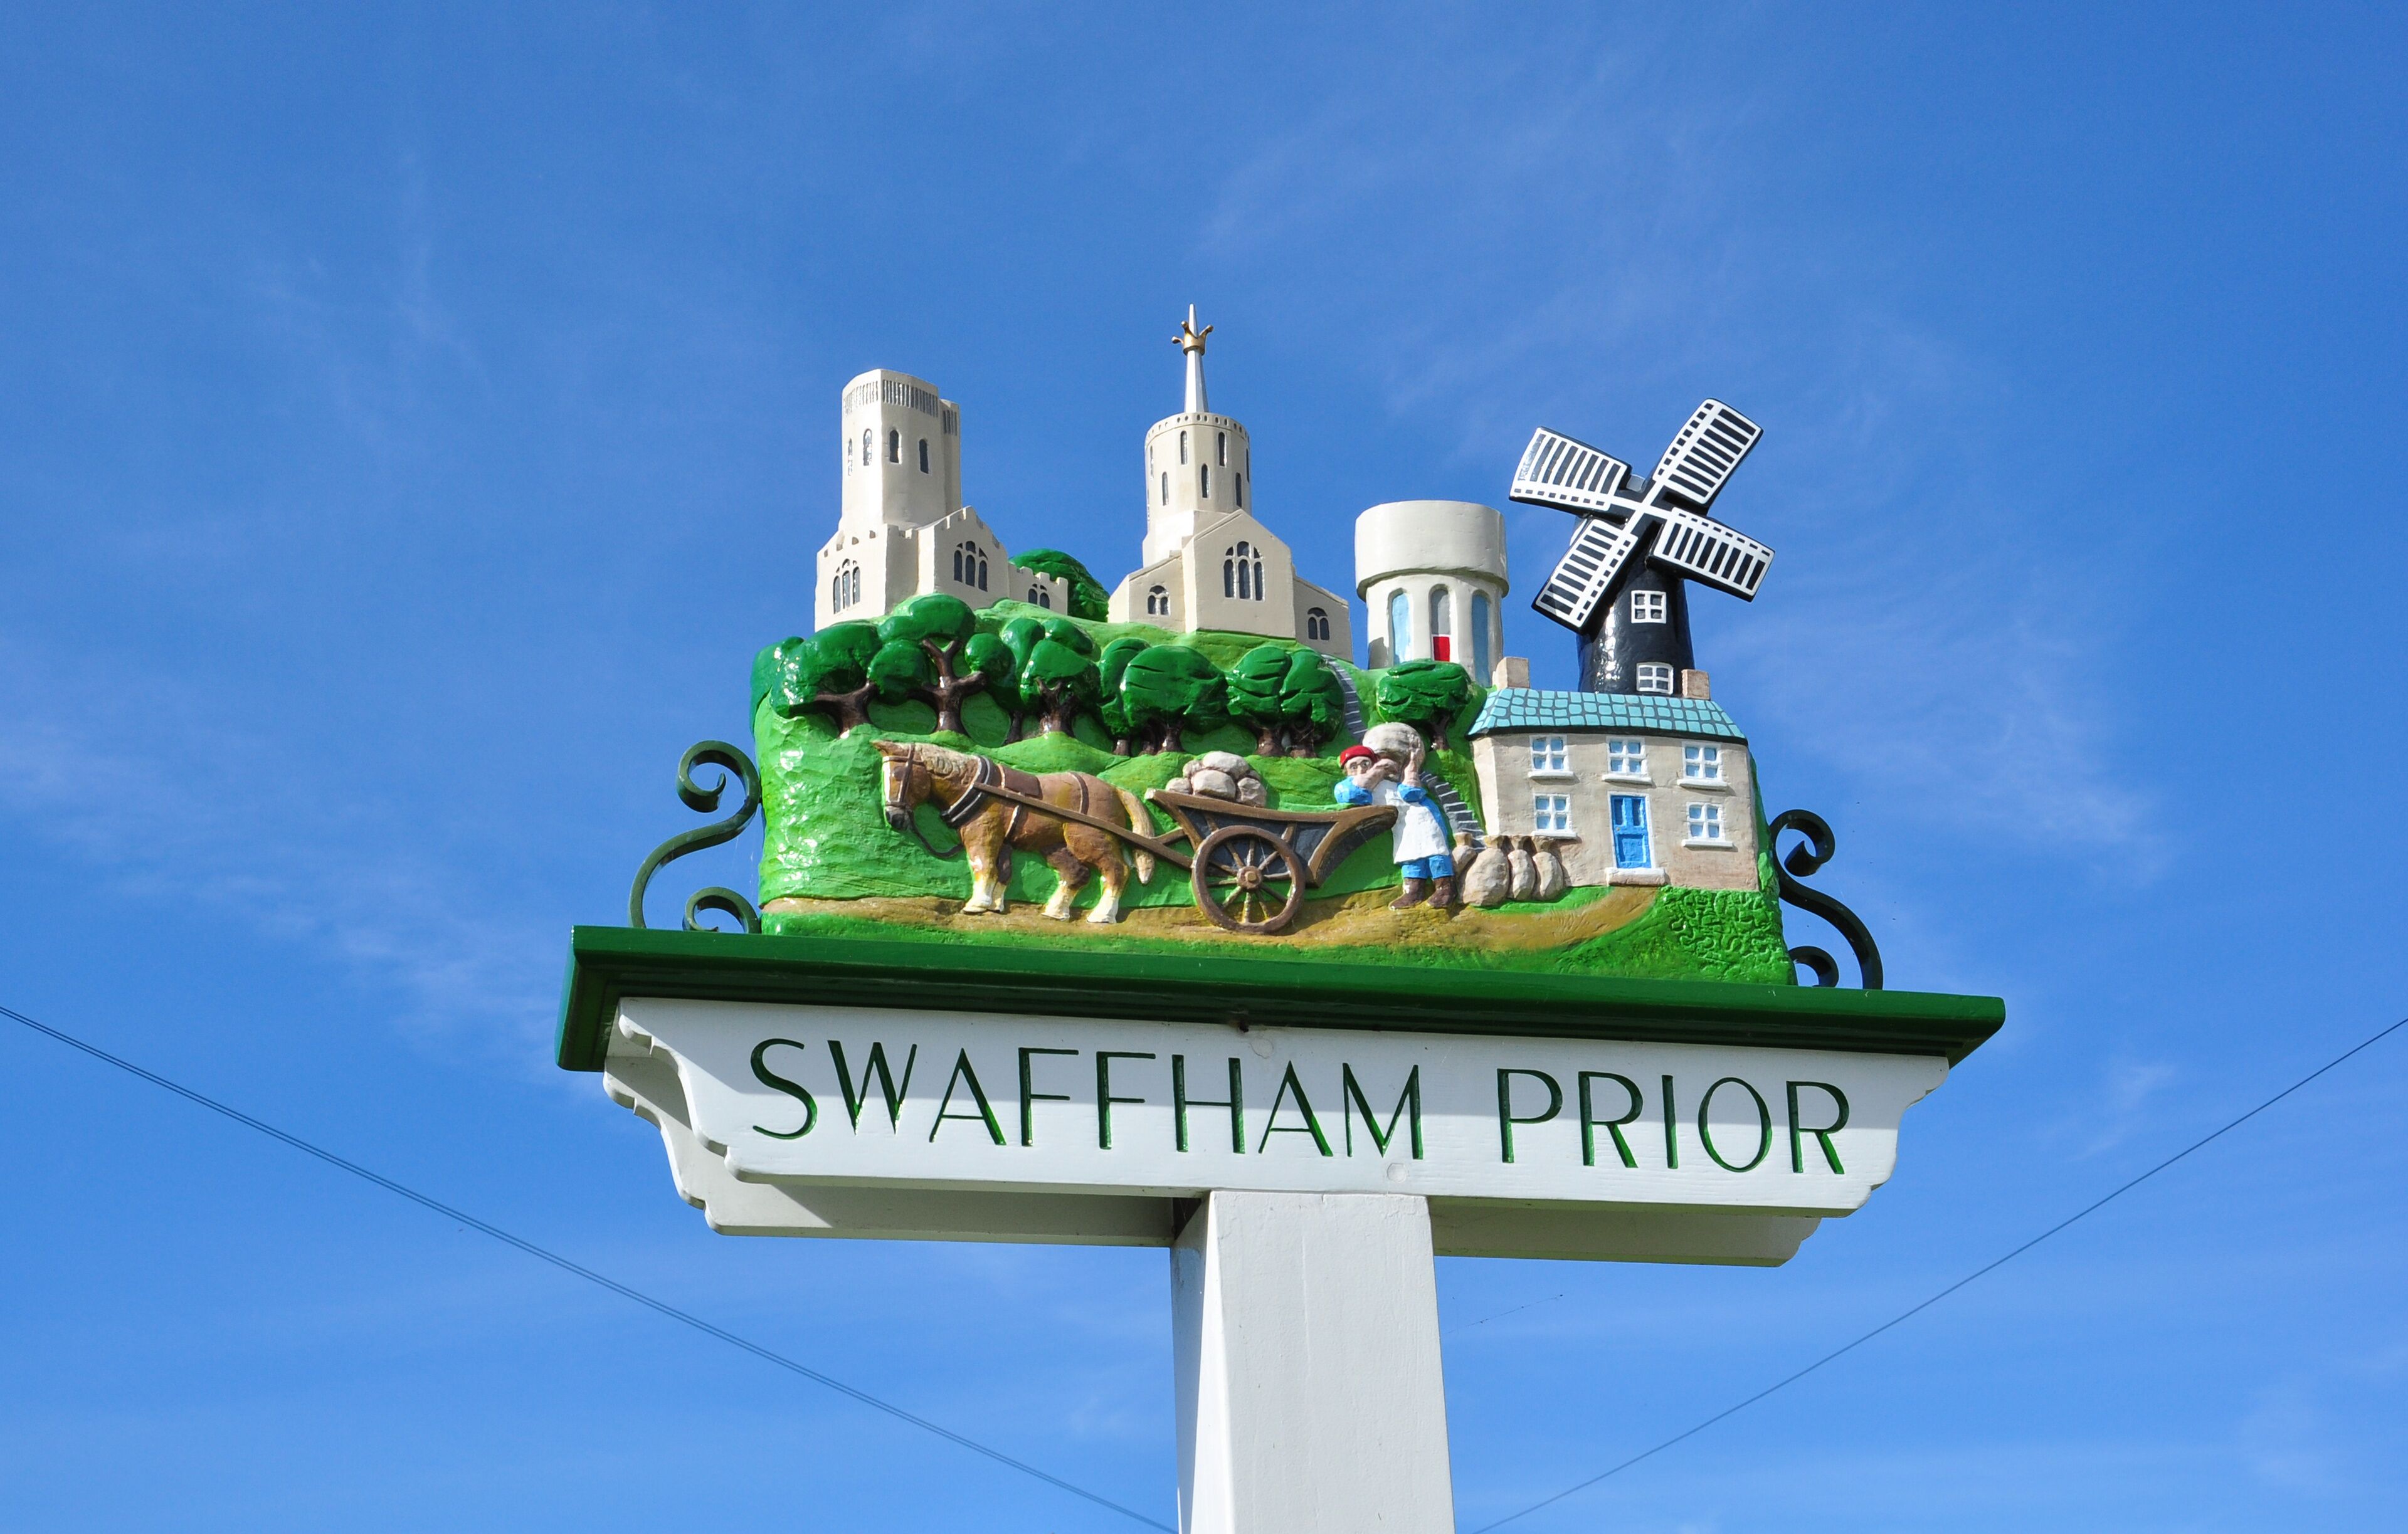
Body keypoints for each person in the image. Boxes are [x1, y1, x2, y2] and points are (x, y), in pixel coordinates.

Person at [1335, 741, 1457, 910]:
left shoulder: (1390, 784)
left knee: (1434, 851)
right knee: (1409, 856)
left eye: (1365, 764)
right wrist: (1379, 770)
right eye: (1354, 766)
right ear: (1346, 771)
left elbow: (1412, 793)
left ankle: (1445, 889)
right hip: (1401, 825)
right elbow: (1355, 795)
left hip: (1421, 816)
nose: (1361, 770)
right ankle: (1413, 892)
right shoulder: (1347, 786)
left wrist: (1412, 765)